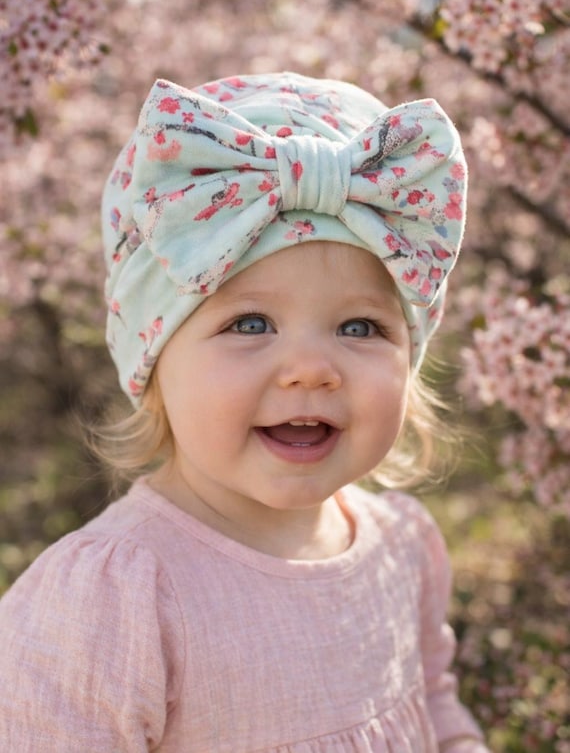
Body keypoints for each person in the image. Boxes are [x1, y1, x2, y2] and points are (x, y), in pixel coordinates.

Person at [0, 72, 491, 752]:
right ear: (153, 363)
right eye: (252, 322)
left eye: (360, 328)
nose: (311, 367)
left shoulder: (403, 545)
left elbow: (433, 700)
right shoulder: (115, 600)